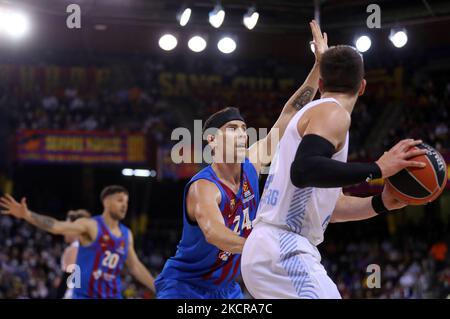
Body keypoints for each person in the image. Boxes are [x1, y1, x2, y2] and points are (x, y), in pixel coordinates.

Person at [155, 20, 329, 299]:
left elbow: (288, 114)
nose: (241, 134)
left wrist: (319, 65)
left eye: (243, 129)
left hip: (226, 289)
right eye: (231, 129)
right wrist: (263, 246)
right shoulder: (204, 187)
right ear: (211, 139)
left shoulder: (252, 164)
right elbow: (213, 232)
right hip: (184, 287)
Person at [241, 45, 427, 299]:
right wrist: (378, 169)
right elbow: (304, 170)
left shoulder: (316, 114)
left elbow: (331, 207)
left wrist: (380, 202)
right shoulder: (333, 113)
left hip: (270, 248)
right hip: (283, 247)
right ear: (362, 86)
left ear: (321, 82)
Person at [0, 185, 155, 299]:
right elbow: (56, 227)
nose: (124, 205)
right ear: (106, 202)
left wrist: (160, 288)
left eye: (127, 202)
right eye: (120, 200)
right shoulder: (91, 226)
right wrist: (27, 215)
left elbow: (135, 267)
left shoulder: (126, 234)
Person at [55, 209, 91, 299]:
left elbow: (71, 283)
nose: (64, 230)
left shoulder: (74, 249)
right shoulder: (89, 248)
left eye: (68, 226)